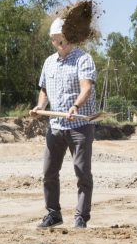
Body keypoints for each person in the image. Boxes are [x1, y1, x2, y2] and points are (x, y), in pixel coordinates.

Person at [33, 17, 99, 228]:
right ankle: (53, 214)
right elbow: (44, 89)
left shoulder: (83, 59)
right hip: (56, 126)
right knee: (49, 172)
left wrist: (76, 106)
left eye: (63, 40)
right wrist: (41, 107)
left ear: (70, 37)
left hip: (79, 125)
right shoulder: (49, 62)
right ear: (52, 41)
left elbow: (86, 87)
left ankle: (81, 216)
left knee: (82, 172)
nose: (61, 44)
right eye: (56, 40)